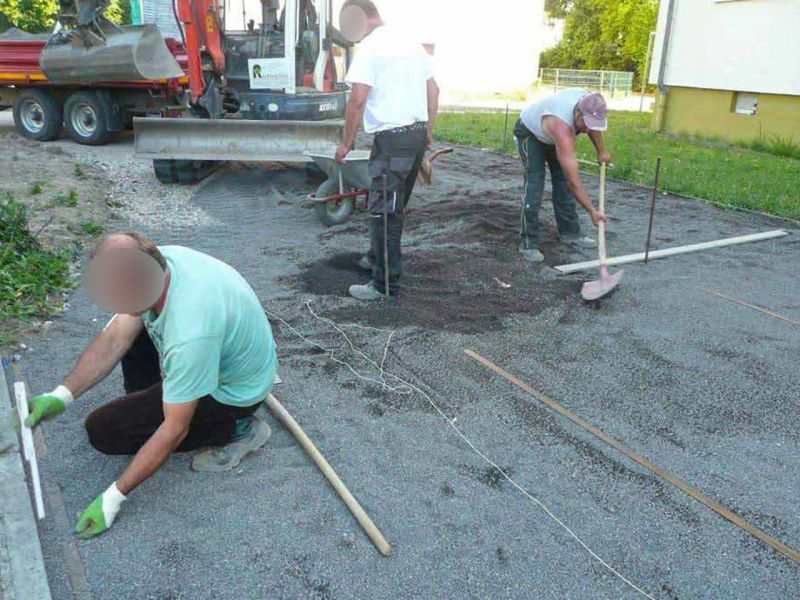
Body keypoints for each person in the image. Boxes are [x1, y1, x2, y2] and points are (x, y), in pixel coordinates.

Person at [24, 232, 278, 539]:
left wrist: (114, 497)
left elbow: (175, 429)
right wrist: (61, 396)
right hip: (218, 358)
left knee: (104, 431)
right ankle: (158, 405)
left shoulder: (190, 330)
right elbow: (116, 337)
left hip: (232, 392)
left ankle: (237, 427)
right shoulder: (156, 264)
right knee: (135, 325)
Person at [334, 0, 439, 301]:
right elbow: (434, 89)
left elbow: (357, 100)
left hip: (392, 141)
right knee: (393, 207)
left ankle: (385, 285)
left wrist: (346, 143)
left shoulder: (370, 47)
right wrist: (428, 130)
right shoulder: (411, 44)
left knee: (384, 213)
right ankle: (374, 257)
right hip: (415, 135)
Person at [514, 89, 612, 263]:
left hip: (554, 136)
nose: (588, 129)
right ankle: (528, 244)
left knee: (562, 185)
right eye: (586, 124)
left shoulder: (591, 103)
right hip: (530, 133)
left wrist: (601, 151)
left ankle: (570, 234)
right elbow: (574, 181)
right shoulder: (561, 126)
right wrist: (592, 211)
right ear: (577, 114)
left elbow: (593, 126)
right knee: (535, 185)